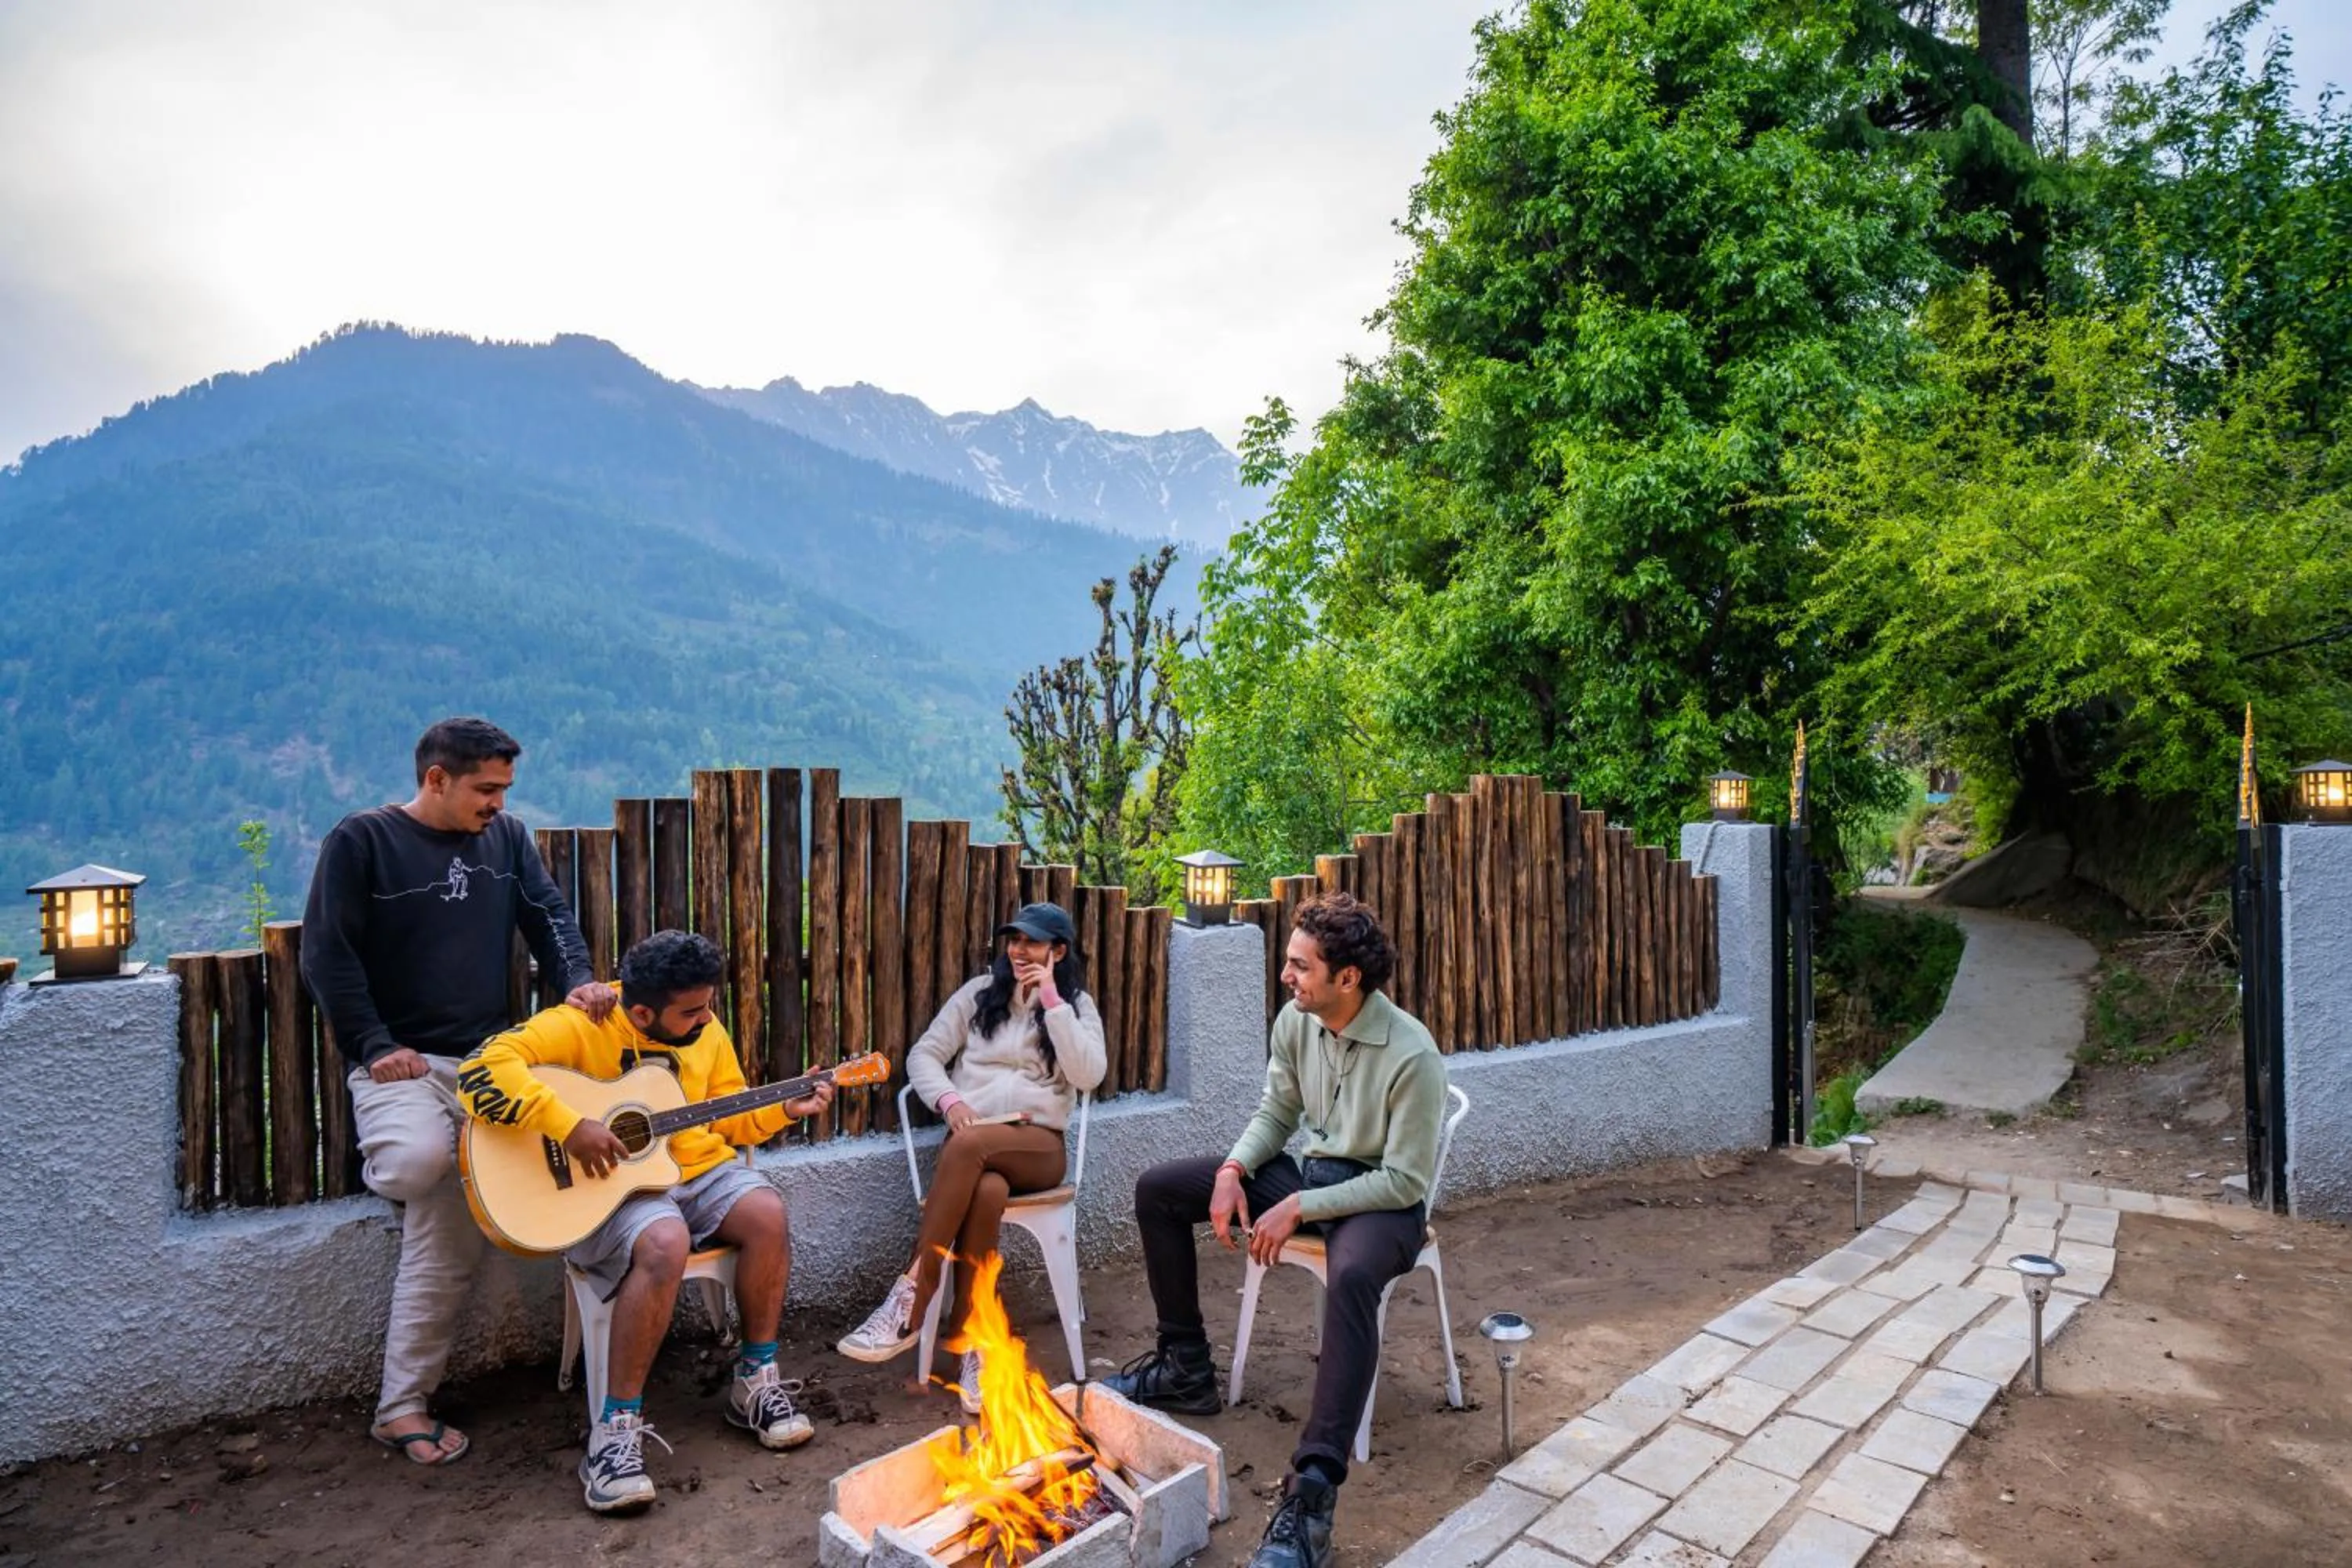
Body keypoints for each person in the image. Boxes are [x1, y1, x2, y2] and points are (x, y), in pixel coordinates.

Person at [301, 716, 611, 1468]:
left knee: (445, 1205)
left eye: (505, 789)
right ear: (436, 779)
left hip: (488, 1070)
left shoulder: (507, 840)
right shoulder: (362, 841)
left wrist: (575, 981)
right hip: (400, 1066)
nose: (499, 804)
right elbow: (326, 954)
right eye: (486, 789)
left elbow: (549, 919)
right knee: (419, 1165)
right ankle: (428, 1168)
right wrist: (376, 1046)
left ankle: (400, 1409)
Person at [1102, 892, 1446, 1568]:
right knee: (1161, 1190)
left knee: (1352, 1275)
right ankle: (1185, 1368)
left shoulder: (1413, 1054)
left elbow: (1406, 1181)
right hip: (1312, 1178)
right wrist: (1234, 1168)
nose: (1286, 976)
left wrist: (1299, 1208)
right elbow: (1277, 1112)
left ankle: (1311, 1498)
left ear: (1348, 978)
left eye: (1300, 965)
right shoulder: (1296, 1021)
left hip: (1382, 1204)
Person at [456, 930, 834, 1515]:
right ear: (641, 1012)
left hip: (693, 1172)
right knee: (665, 1238)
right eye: (691, 1011)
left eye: (708, 1005)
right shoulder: (586, 1021)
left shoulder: (706, 1028)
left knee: (766, 1211)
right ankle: (614, 1432)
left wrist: (784, 1108)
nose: (706, 1018)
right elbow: (479, 1071)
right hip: (610, 1190)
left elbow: (728, 1114)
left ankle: (755, 1382)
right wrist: (568, 1126)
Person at [834, 902, 1105, 1410]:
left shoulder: (1075, 1006)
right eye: (1014, 940)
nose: (1020, 950)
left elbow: (1089, 1075)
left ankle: (910, 1297)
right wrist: (950, 1101)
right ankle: (975, 1338)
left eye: (1032, 942)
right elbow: (924, 1055)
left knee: (967, 1147)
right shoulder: (979, 995)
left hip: (1037, 1146)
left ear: (1058, 951)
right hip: (972, 1146)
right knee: (986, 1190)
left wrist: (1052, 1002)